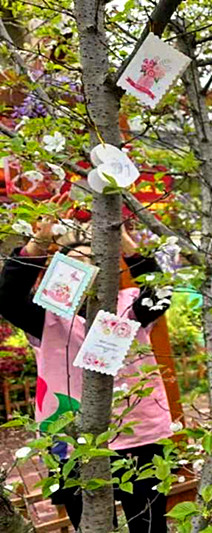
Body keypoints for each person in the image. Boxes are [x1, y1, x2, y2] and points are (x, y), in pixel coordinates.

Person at [0, 220, 173, 533]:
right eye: (74, 262)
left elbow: (161, 292)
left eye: (94, 261)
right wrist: (39, 243)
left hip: (139, 431)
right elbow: (7, 298)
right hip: (69, 437)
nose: (85, 269)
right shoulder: (46, 317)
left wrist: (121, 238)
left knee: (149, 524)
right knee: (91, 525)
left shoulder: (128, 306)